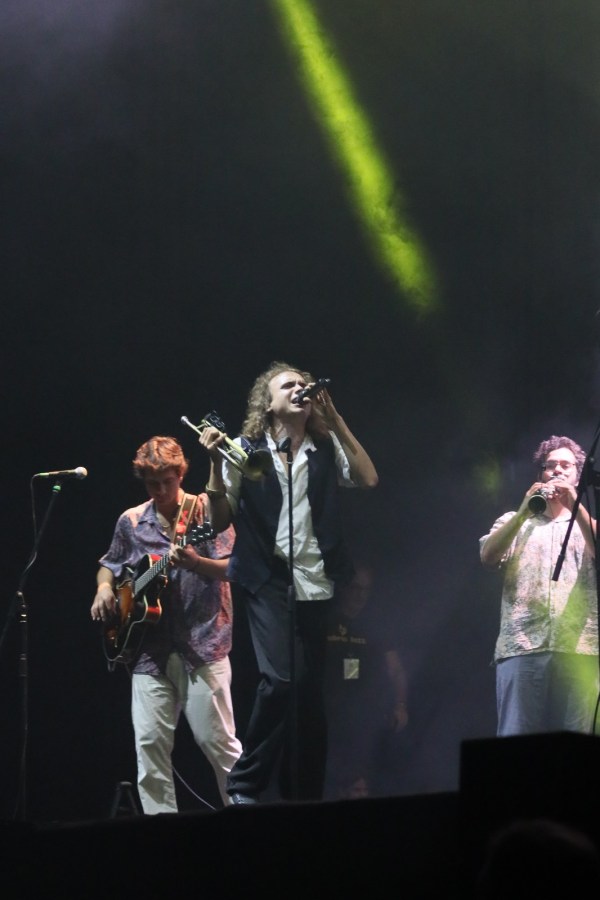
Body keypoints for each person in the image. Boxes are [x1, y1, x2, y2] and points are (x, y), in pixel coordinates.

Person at [198, 361, 378, 804]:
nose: (300, 388)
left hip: (317, 580)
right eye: (288, 384)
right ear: (268, 401)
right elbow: (219, 518)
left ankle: (304, 796)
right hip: (268, 579)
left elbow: (368, 478)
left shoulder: (323, 444)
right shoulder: (245, 449)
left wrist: (335, 420)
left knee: (310, 696)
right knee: (280, 681)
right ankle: (243, 785)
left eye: (304, 383)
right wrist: (214, 464)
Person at [90, 435, 242, 813]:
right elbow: (110, 563)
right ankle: (163, 838)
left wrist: (195, 563)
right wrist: (104, 589)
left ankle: (247, 820)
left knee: (218, 745)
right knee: (149, 749)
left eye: (167, 482)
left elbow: (234, 567)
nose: (160, 491)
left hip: (203, 646)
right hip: (148, 651)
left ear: (181, 475)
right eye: (152, 484)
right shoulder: (131, 520)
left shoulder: (207, 511)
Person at [479, 434, 599, 736]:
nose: (557, 471)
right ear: (540, 474)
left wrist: (574, 503)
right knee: (516, 740)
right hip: (522, 646)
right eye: (550, 466)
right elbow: (488, 556)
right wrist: (523, 511)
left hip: (580, 650)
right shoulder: (514, 520)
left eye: (566, 466)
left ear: (578, 476)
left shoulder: (587, 524)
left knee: (580, 741)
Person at [323, 561, 409, 799]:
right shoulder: (324, 619)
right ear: (343, 587)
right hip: (327, 717)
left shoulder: (376, 625)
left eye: (365, 589)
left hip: (364, 716)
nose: (359, 595)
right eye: (354, 587)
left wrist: (400, 706)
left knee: (364, 777)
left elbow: (396, 670)